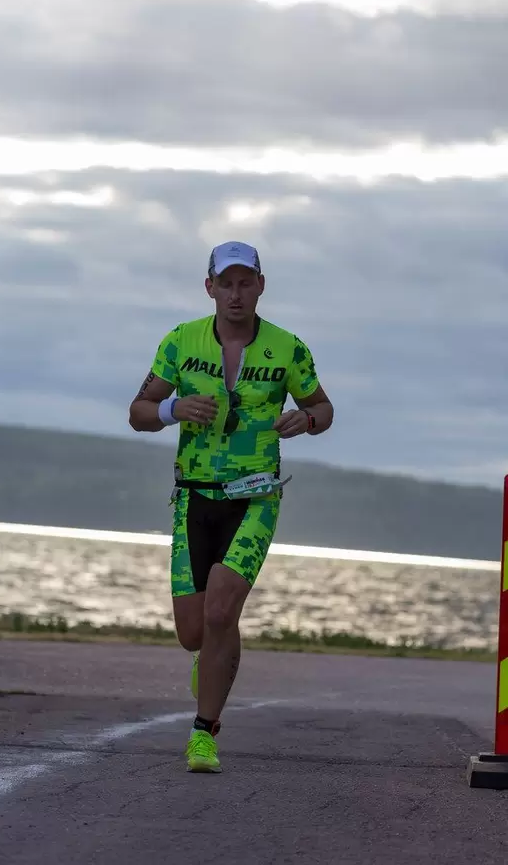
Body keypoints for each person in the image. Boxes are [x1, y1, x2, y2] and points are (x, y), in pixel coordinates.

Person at [128, 240, 334, 773]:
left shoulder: (288, 348)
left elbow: (323, 407)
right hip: (194, 494)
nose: (236, 294)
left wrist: (306, 421)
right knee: (195, 632)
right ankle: (211, 661)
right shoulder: (180, 340)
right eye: (227, 283)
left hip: (256, 495)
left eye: (247, 282)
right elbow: (139, 411)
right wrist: (174, 408)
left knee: (222, 610)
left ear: (261, 286)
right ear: (210, 287)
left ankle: (204, 732)